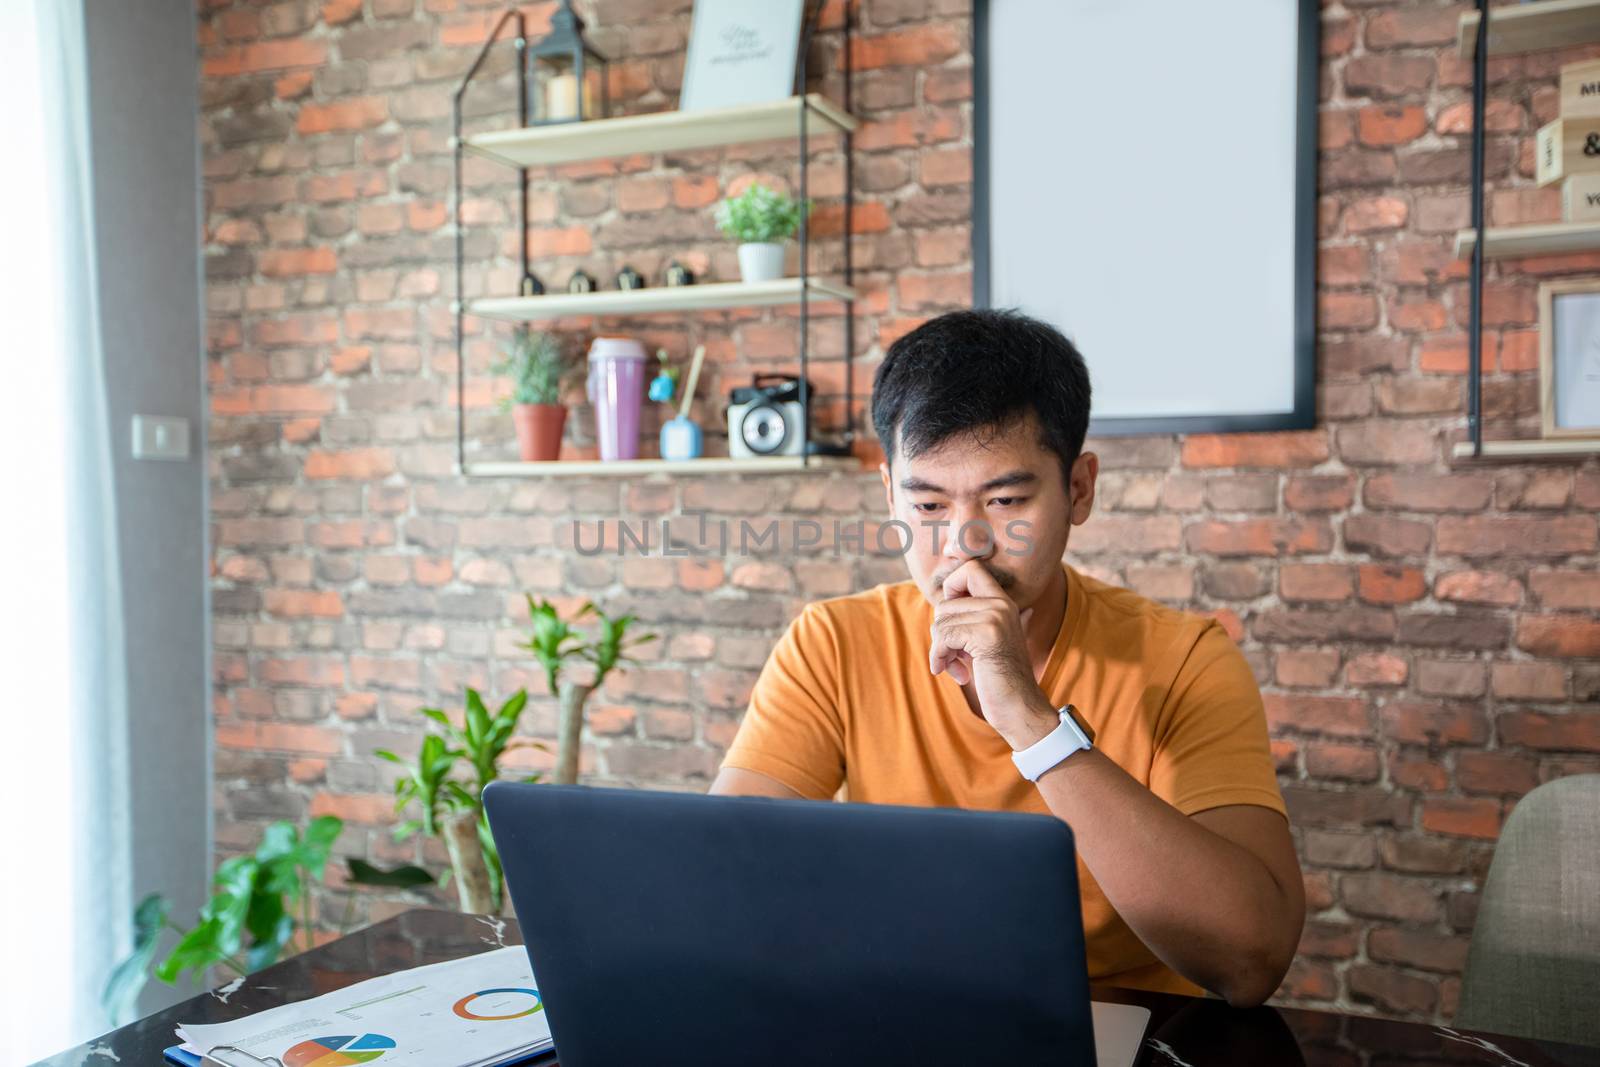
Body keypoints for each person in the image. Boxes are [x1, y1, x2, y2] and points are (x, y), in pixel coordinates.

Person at [710, 308, 1304, 1007]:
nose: (965, 543)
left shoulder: (1185, 660)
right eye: (927, 506)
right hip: (904, 1018)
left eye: (1005, 499)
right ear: (889, 493)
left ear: (1078, 490)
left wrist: (1033, 722)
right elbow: (722, 883)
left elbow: (1250, 960)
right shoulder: (834, 643)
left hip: (1123, 1027)